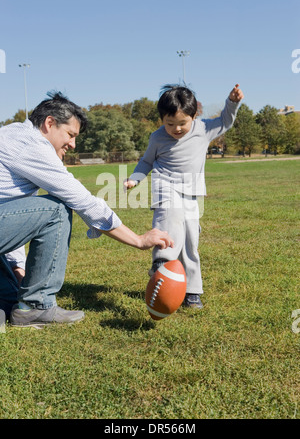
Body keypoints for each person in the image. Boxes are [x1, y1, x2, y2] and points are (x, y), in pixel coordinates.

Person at [0, 91, 174, 328]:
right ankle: (38, 306)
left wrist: (18, 268)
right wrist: (139, 240)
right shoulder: (31, 144)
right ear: (49, 123)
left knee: (10, 301)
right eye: (70, 134)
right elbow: (82, 200)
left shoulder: (14, 135)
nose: (73, 144)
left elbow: (13, 219)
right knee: (56, 209)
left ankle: (25, 306)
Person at [124, 84, 244, 309]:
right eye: (170, 124)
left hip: (192, 192)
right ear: (162, 119)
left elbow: (226, 120)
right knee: (170, 219)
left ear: (194, 116)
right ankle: (163, 261)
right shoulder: (158, 137)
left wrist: (232, 102)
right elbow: (147, 161)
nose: (176, 129)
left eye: (182, 123)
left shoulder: (205, 129)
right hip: (165, 186)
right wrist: (135, 178)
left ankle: (191, 291)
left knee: (190, 241)